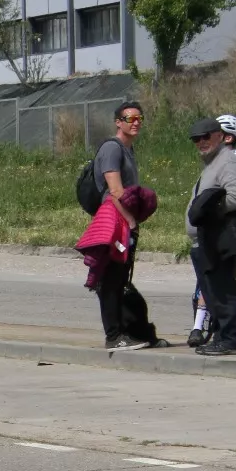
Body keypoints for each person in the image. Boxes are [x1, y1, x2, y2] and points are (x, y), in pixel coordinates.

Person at [186, 116, 236, 357]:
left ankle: (231, 339)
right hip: (207, 238)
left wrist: (206, 212)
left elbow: (234, 198)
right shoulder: (212, 163)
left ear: (220, 136)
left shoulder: (228, 161)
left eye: (206, 137)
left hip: (220, 235)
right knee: (212, 291)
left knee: (223, 290)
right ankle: (222, 337)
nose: (201, 142)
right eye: (196, 139)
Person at [90, 102, 147, 349]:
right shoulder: (112, 149)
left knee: (120, 276)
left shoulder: (127, 150)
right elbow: (115, 190)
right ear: (118, 122)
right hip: (114, 223)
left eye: (139, 118)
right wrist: (131, 222)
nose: (135, 122)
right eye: (130, 118)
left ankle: (123, 332)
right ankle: (113, 336)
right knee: (111, 278)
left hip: (121, 221)